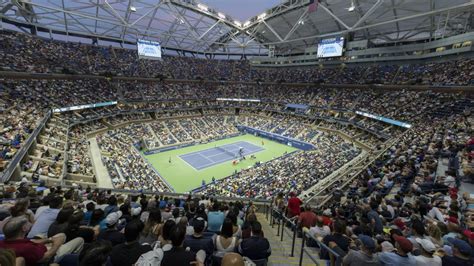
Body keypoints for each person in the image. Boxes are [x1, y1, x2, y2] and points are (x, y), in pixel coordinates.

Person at [0, 216, 83, 265]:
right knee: (80, 240)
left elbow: (30, 241)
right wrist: (57, 244)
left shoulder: (3, 242)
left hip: (40, 249)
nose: (30, 223)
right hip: (51, 256)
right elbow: (47, 257)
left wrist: (49, 240)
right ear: (24, 228)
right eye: (27, 223)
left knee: (61, 235)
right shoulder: (27, 249)